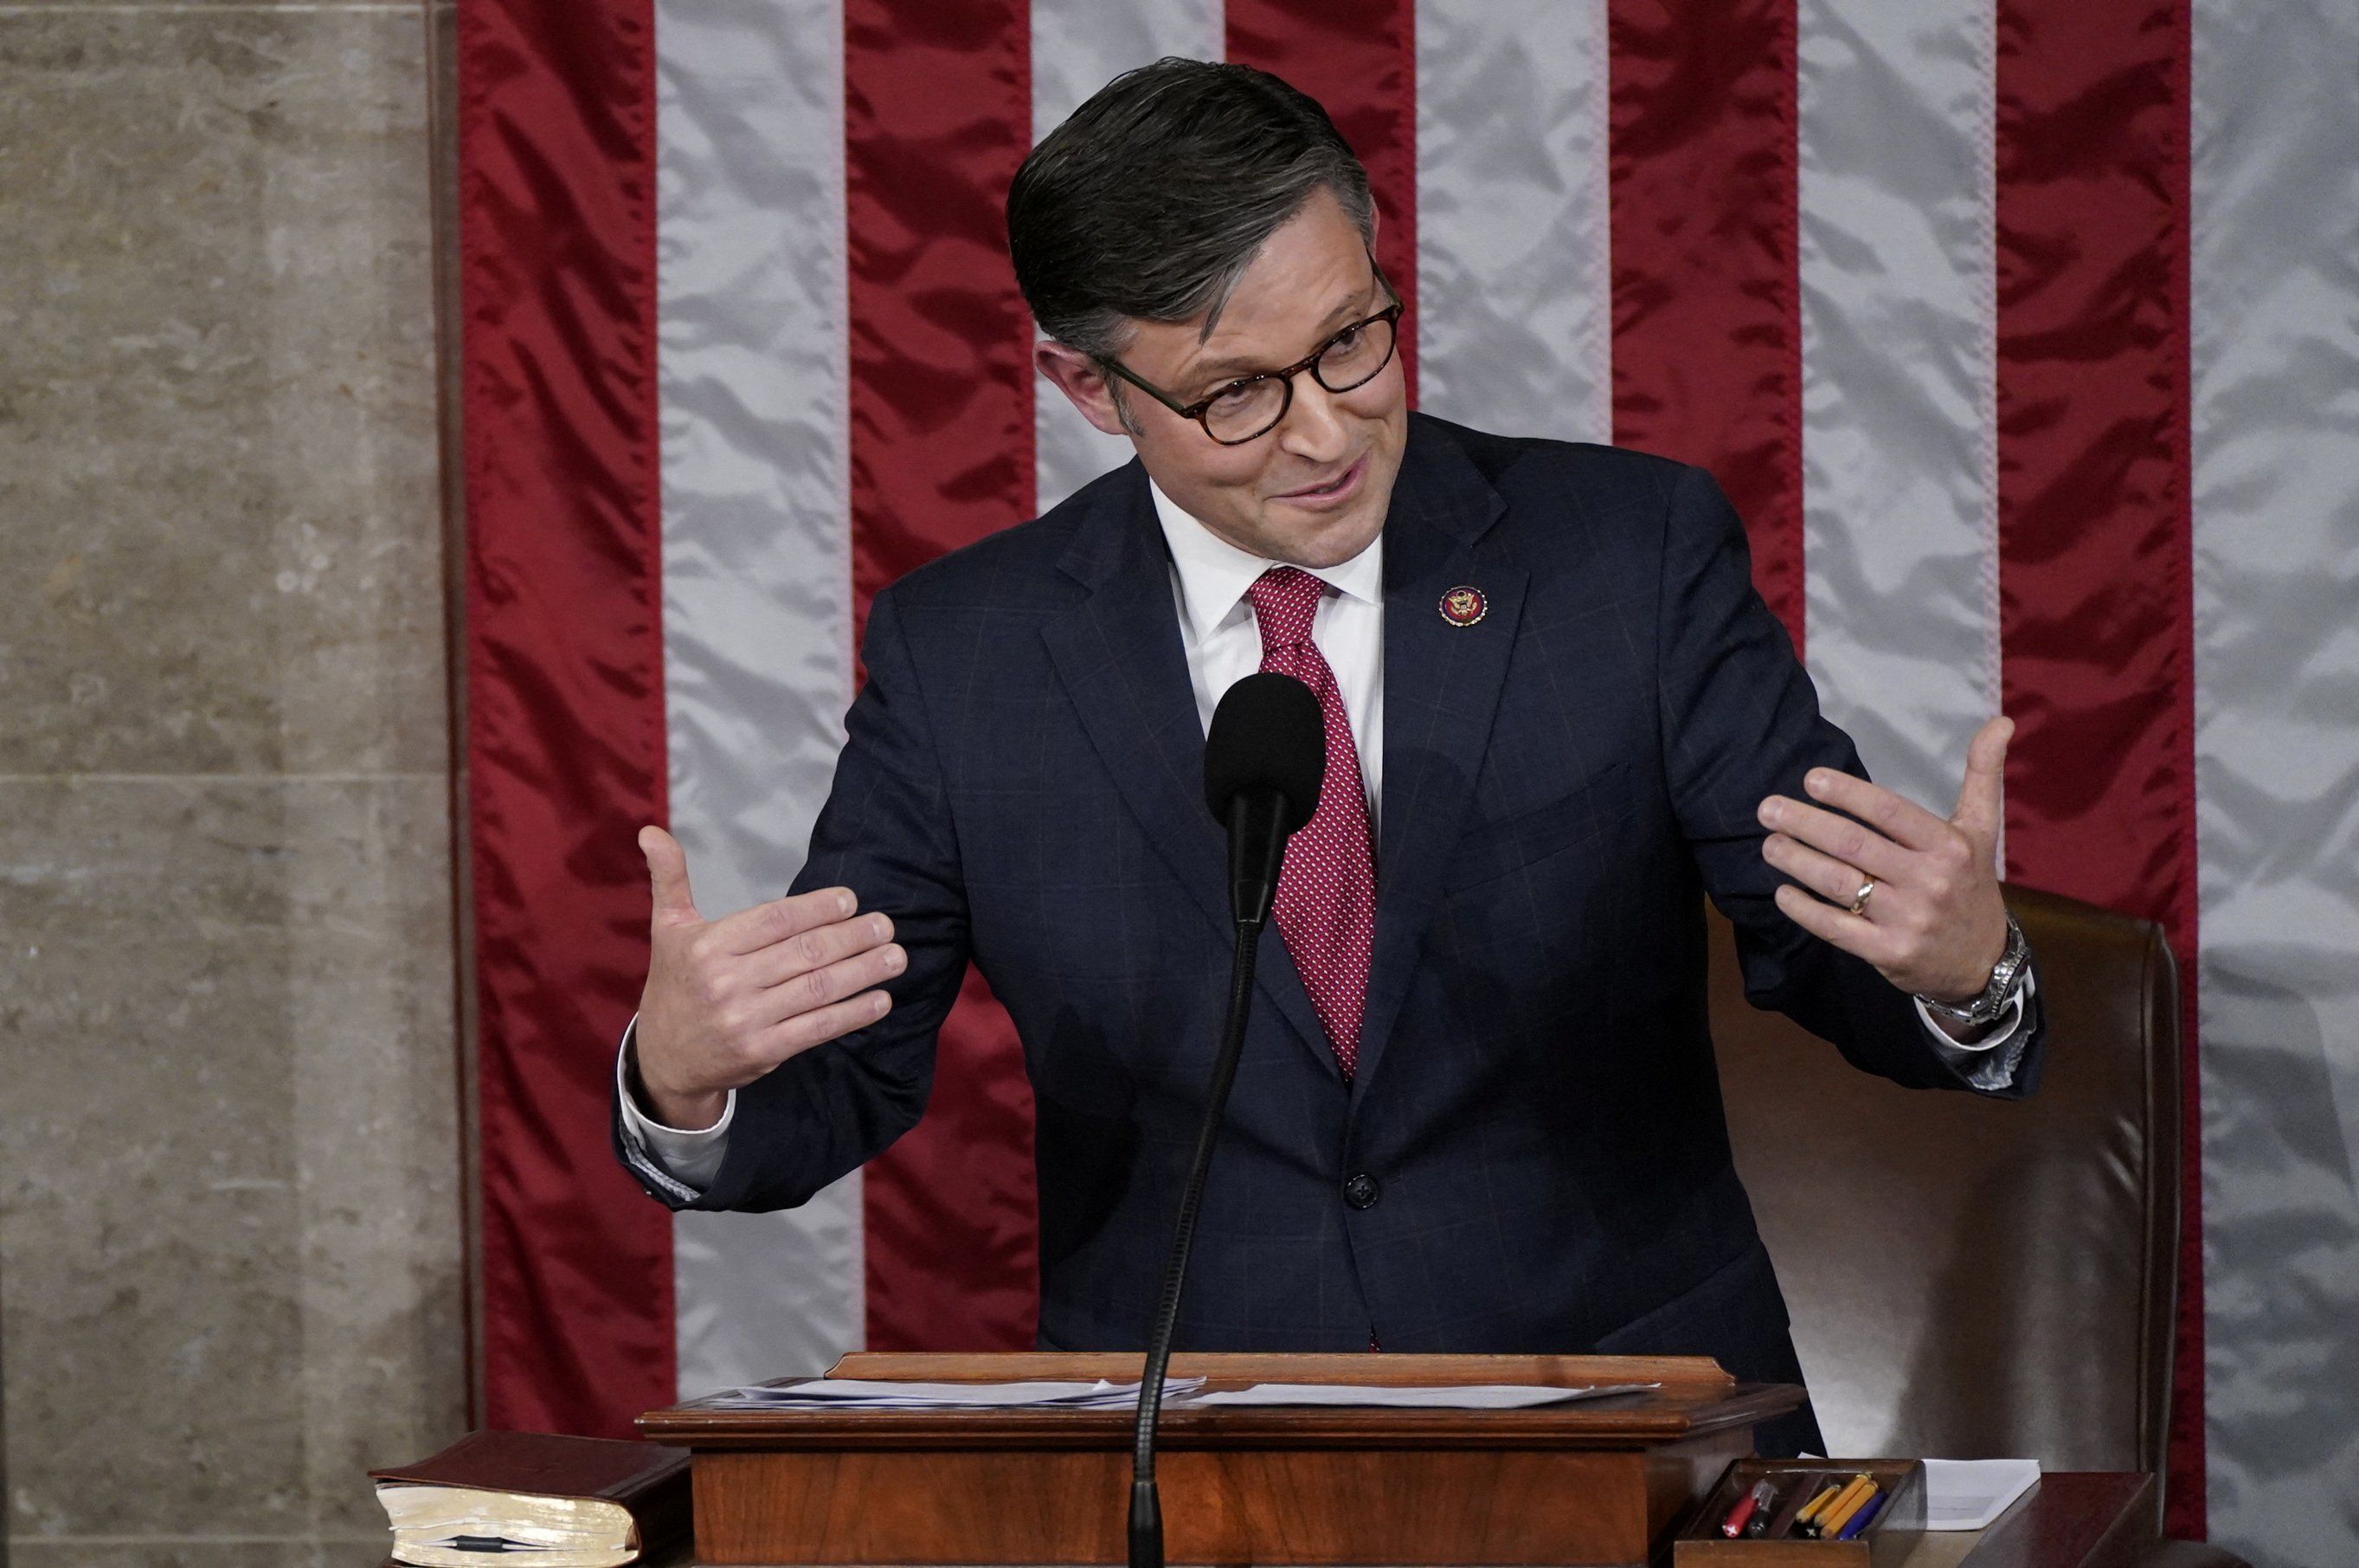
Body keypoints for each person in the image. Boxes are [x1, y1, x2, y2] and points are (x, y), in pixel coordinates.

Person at [609, 58, 2042, 1456]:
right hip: (1188, 1456)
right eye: (1233, 393)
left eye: (1351, 340)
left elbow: (1831, 951)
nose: (1323, 430)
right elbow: (843, 1075)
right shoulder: (965, 654)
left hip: (1626, 1425)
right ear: (1089, 389)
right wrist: (685, 1082)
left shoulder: (1626, 560)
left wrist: (1963, 972)